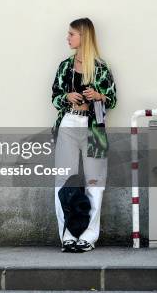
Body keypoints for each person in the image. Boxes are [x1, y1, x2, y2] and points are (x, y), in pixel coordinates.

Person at [51, 18, 117, 253]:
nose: (67, 38)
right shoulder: (64, 66)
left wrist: (98, 96)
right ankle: (67, 235)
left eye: (71, 34)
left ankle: (88, 236)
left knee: (95, 183)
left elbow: (112, 100)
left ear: (83, 37)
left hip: (95, 129)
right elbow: (55, 96)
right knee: (62, 181)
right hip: (68, 123)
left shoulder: (101, 67)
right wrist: (66, 98)